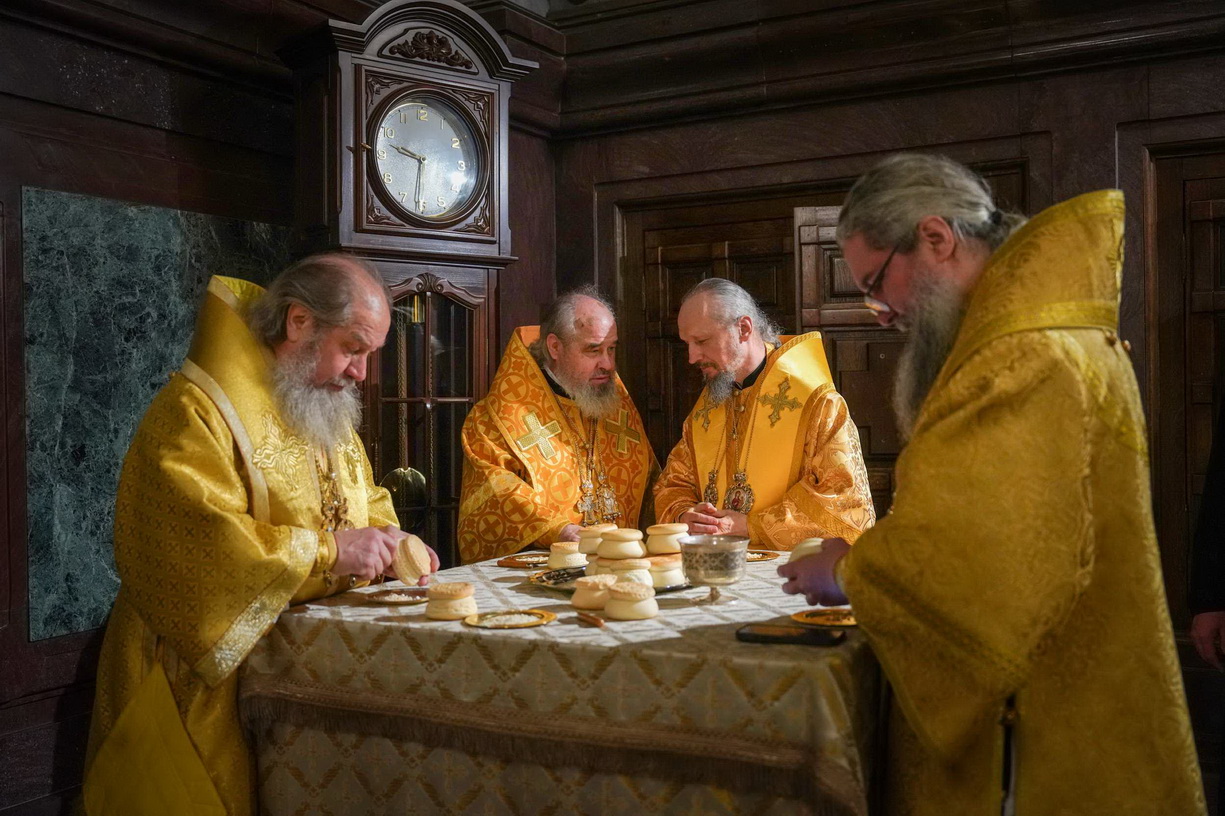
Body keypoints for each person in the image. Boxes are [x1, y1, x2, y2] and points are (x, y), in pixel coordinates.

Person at [779, 153, 1205, 813]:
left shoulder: (1022, 358)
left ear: (935, 238)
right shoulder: (1031, 337)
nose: (880, 313)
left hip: (1039, 725)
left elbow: (980, 564)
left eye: (876, 284)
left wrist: (847, 570)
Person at [81, 254, 439, 816]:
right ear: (299, 321)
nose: (362, 373)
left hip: (301, 660)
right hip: (197, 668)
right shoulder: (199, 410)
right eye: (353, 348)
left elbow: (360, 495)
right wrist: (330, 552)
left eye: (370, 354)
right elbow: (197, 545)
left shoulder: (317, 400)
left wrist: (389, 540)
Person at [653, 278, 875, 550]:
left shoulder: (817, 404)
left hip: (788, 570)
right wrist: (685, 516)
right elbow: (673, 484)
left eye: (701, 341)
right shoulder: (707, 408)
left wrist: (752, 527)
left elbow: (846, 505)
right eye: (687, 343)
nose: (691, 357)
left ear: (743, 329)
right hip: (715, 563)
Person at [457, 287, 657, 563]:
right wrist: (556, 529)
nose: (608, 364)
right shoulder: (499, 417)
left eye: (611, 349)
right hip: (544, 567)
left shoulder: (616, 409)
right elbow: (494, 490)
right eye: (593, 350)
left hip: (621, 565)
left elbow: (651, 484)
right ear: (554, 347)